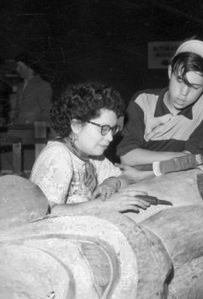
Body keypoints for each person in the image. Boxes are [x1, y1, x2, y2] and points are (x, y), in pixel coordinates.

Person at [30, 82, 150, 215]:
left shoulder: (93, 156)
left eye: (113, 129)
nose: (110, 138)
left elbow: (126, 179)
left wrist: (112, 182)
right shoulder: (58, 156)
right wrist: (103, 205)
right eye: (104, 128)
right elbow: (47, 211)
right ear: (76, 125)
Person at [117, 39, 203, 177]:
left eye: (194, 87)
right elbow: (127, 156)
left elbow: (190, 158)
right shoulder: (143, 100)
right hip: (135, 177)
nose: (183, 93)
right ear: (169, 72)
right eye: (179, 80)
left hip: (161, 176)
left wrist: (149, 173)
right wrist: (183, 158)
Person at [10, 53, 52, 125]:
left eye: (20, 67)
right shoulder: (20, 86)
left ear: (30, 68)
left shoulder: (43, 86)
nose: (17, 69)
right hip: (18, 128)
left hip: (33, 130)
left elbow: (46, 111)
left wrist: (32, 122)